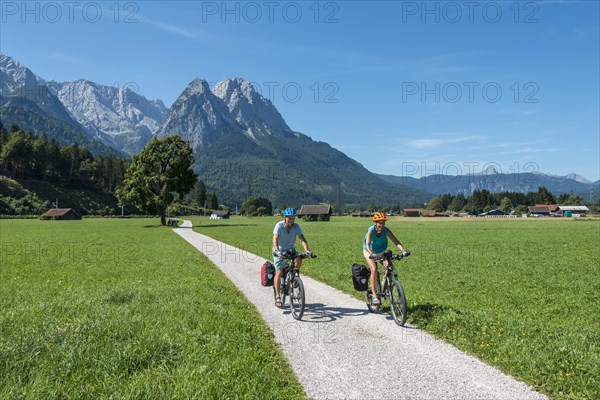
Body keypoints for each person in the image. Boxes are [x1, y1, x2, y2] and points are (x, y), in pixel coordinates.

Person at [363, 212, 409, 305]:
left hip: (381, 251)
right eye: (380, 223)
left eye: (383, 223)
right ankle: (375, 296)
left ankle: (386, 287)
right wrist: (372, 254)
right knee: (374, 269)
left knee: (389, 267)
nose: (382, 225)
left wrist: (403, 251)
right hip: (369, 251)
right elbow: (367, 244)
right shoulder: (371, 230)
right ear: (375, 223)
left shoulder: (386, 230)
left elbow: (396, 241)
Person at [272, 207, 311, 308]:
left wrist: (307, 250)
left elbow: (302, 239)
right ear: (285, 218)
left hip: (290, 249)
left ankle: (293, 278)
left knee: (299, 259)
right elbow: (275, 240)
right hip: (279, 250)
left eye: (293, 219)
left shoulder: (296, 226)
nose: (291, 221)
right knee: (279, 271)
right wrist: (277, 251)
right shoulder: (279, 226)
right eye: (289, 219)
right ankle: (278, 297)